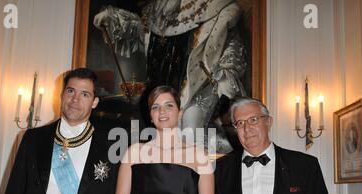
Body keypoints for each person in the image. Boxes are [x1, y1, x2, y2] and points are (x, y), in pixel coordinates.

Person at [93, 0, 248, 153]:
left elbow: (231, 49)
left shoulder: (218, 7)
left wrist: (225, 74)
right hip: (160, 87)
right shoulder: (157, 9)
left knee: (191, 123)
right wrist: (113, 18)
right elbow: (140, 30)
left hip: (197, 86)